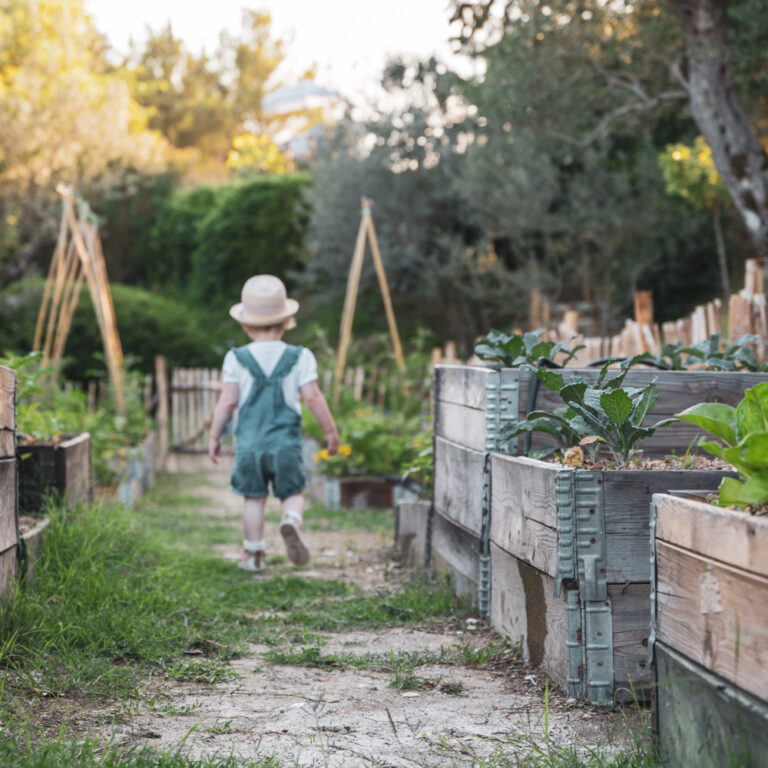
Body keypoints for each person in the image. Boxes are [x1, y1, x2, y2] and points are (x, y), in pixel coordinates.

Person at [208, 275, 339, 572]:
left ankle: (253, 556)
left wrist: (214, 437)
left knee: (253, 499)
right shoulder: (300, 357)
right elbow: (313, 397)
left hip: (249, 445)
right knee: (292, 492)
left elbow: (227, 402)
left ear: (245, 323)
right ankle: (291, 521)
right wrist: (330, 431)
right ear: (286, 321)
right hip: (286, 444)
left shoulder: (235, 358)